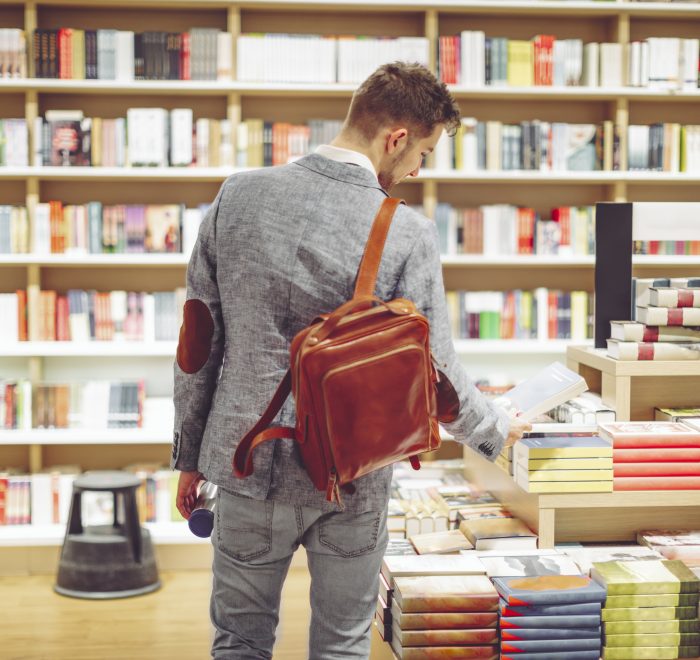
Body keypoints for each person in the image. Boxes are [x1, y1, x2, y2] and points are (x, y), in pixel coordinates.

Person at [172, 61, 532, 659]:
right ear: (395, 139)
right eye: (424, 151)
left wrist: (189, 454)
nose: (418, 169)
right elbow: (435, 376)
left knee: (238, 642)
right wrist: (495, 428)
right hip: (351, 473)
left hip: (242, 463)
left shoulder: (237, 195)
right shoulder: (406, 231)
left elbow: (198, 344)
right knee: (342, 645)